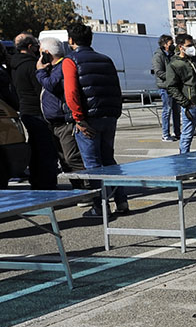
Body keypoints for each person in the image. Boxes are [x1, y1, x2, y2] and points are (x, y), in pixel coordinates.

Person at [63, 22, 129, 217]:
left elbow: (72, 92)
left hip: (88, 117)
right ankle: (121, 200)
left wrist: (78, 118)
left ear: (71, 40)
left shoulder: (71, 60)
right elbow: (116, 89)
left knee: (92, 163)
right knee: (109, 160)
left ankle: (100, 206)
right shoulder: (105, 59)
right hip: (109, 115)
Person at [35, 37, 86, 188]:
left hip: (65, 120)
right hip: (54, 121)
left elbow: (53, 85)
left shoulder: (63, 66)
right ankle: (78, 188)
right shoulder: (52, 68)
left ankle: (87, 188)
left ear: (46, 53)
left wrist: (40, 72)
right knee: (64, 159)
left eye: (40, 53)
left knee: (72, 158)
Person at [8, 34, 57, 188]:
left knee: (35, 148)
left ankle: (36, 180)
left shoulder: (14, 64)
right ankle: (46, 183)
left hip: (25, 110)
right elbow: (41, 90)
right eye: (36, 45)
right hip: (37, 111)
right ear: (30, 47)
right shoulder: (32, 65)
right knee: (46, 149)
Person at [151, 34, 179, 142]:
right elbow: (159, 72)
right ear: (164, 44)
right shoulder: (158, 56)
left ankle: (177, 132)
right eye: (170, 44)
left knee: (176, 110)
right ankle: (165, 134)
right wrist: (171, 77)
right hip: (165, 86)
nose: (172, 46)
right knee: (167, 109)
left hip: (174, 86)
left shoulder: (172, 55)